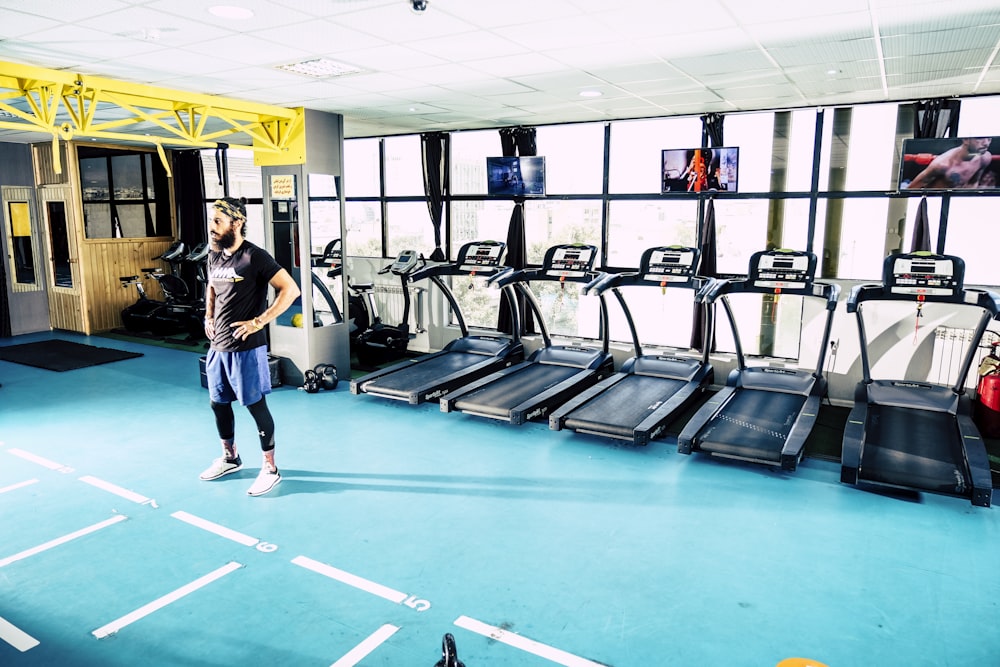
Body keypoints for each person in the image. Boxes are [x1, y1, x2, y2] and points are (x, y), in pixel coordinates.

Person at [199, 197, 300, 496]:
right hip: (219, 347)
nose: (212, 227)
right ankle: (231, 457)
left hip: (247, 348)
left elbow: (290, 289)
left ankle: (270, 468)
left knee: (255, 406)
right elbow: (211, 287)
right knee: (218, 403)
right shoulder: (214, 254)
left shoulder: (254, 256)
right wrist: (208, 315)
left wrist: (259, 321)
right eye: (211, 220)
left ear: (237, 222)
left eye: (218, 221)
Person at [905, 137, 993, 189]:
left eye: (989, 138)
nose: (986, 143)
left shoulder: (985, 158)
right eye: (980, 138)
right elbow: (911, 189)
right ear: (966, 140)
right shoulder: (942, 164)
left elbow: (973, 183)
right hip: (933, 203)